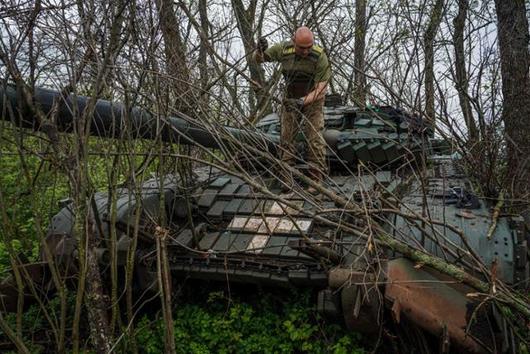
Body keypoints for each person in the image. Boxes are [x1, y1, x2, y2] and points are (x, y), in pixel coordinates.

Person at [254, 26, 331, 193]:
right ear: (293, 41)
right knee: (287, 137)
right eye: (302, 48)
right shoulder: (283, 49)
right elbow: (259, 60)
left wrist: (302, 101)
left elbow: (321, 88)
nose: (305, 51)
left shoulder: (319, 56)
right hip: (290, 96)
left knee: (314, 137)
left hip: (313, 99)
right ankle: (287, 179)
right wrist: (259, 50)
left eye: (309, 47)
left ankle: (315, 181)